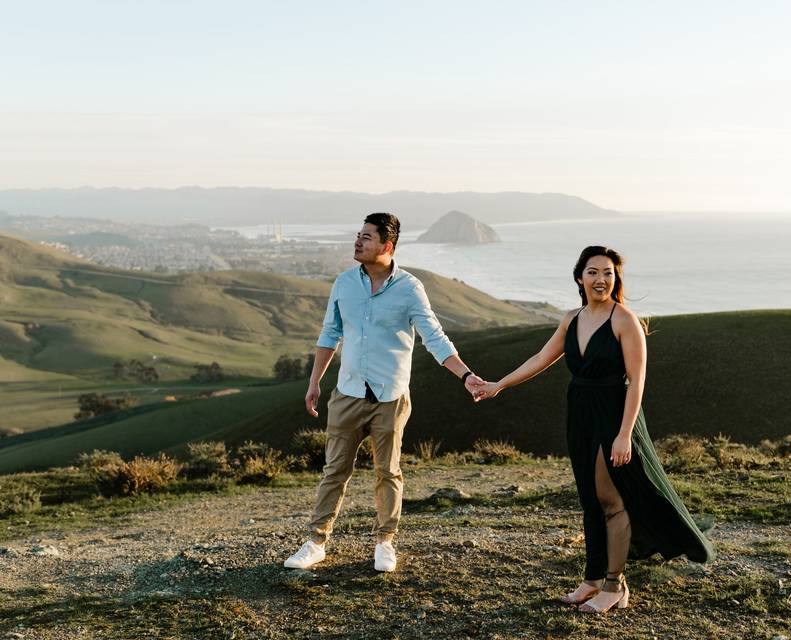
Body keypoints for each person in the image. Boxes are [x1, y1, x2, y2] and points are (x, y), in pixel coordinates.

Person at [475, 246, 715, 613]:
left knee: (611, 498)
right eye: (593, 272)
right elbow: (542, 358)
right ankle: (591, 580)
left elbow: (637, 381)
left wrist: (624, 434)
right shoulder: (572, 319)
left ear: (616, 279)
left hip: (615, 415)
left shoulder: (624, 320)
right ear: (579, 277)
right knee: (590, 499)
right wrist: (499, 384)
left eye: (608, 273)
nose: (601, 279)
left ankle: (615, 586)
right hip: (580, 413)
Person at [284, 212, 485, 573]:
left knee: (388, 472)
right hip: (346, 394)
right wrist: (315, 382)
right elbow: (330, 335)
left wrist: (465, 375)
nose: (357, 241)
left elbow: (435, 338)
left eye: (366, 237)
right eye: (357, 235)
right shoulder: (344, 284)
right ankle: (316, 542)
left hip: (390, 398)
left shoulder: (410, 288)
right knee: (334, 471)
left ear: (387, 246)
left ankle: (384, 543)